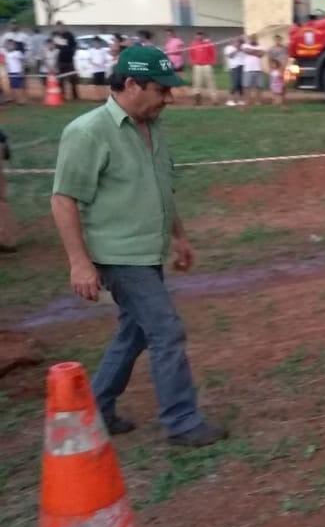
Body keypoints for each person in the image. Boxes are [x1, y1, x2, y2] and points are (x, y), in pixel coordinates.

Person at [49, 46, 225, 447]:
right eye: (161, 90)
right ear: (131, 84)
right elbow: (63, 200)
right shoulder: (87, 131)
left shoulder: (152, 126)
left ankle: (96, 408)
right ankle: (182, 422)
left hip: (148, 251)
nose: (169, 98)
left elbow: (161, 187)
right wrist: (79, 263)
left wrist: (179, 236)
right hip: (117, 254)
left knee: (135, 332)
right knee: (166, 330)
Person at [50, 22, 79, 102]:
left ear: (64, 27)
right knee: (60, 80)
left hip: (69, 60)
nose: (60, 28)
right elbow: (51, 45)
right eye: (58, 27)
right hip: (59, 60)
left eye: (61, 27)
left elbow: (74, 46)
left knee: (73, 79)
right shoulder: (54, 35)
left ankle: (75, 95)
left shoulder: (69, 35)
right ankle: (62, 96)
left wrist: (72, 54)